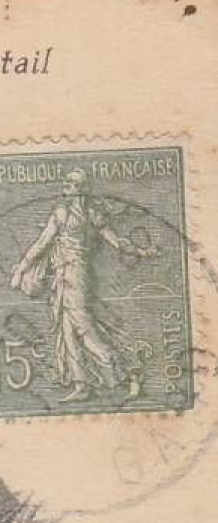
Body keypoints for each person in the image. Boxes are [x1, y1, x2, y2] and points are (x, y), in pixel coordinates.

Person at [9, 167, 158, 403]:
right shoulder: (82, 213)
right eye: (67, 181)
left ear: (82, 188)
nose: (66, 184)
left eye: (71, 182)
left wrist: (20, 270)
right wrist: (22, 268)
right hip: (64, 276)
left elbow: (43, 244)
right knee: (68, 330)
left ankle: (128, 373)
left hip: (74, 275)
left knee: (84, 328)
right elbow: (43, 243)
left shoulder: (72, 214)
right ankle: (82, 385)